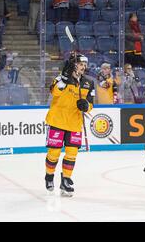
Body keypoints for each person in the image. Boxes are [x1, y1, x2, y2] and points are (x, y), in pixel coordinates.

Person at [44, 53, 94, 196]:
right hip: (57, 120)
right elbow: (54, 92)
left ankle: (65, 180)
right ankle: (49, 176)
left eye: (85, 65)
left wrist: (86, 106)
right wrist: (64, 80)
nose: (83, 67)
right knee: (54, 153)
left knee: (72, 154)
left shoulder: (88, 82)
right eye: (80, 64)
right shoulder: (61, 78)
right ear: (74, 64)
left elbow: (91, 104)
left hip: (74, 123)